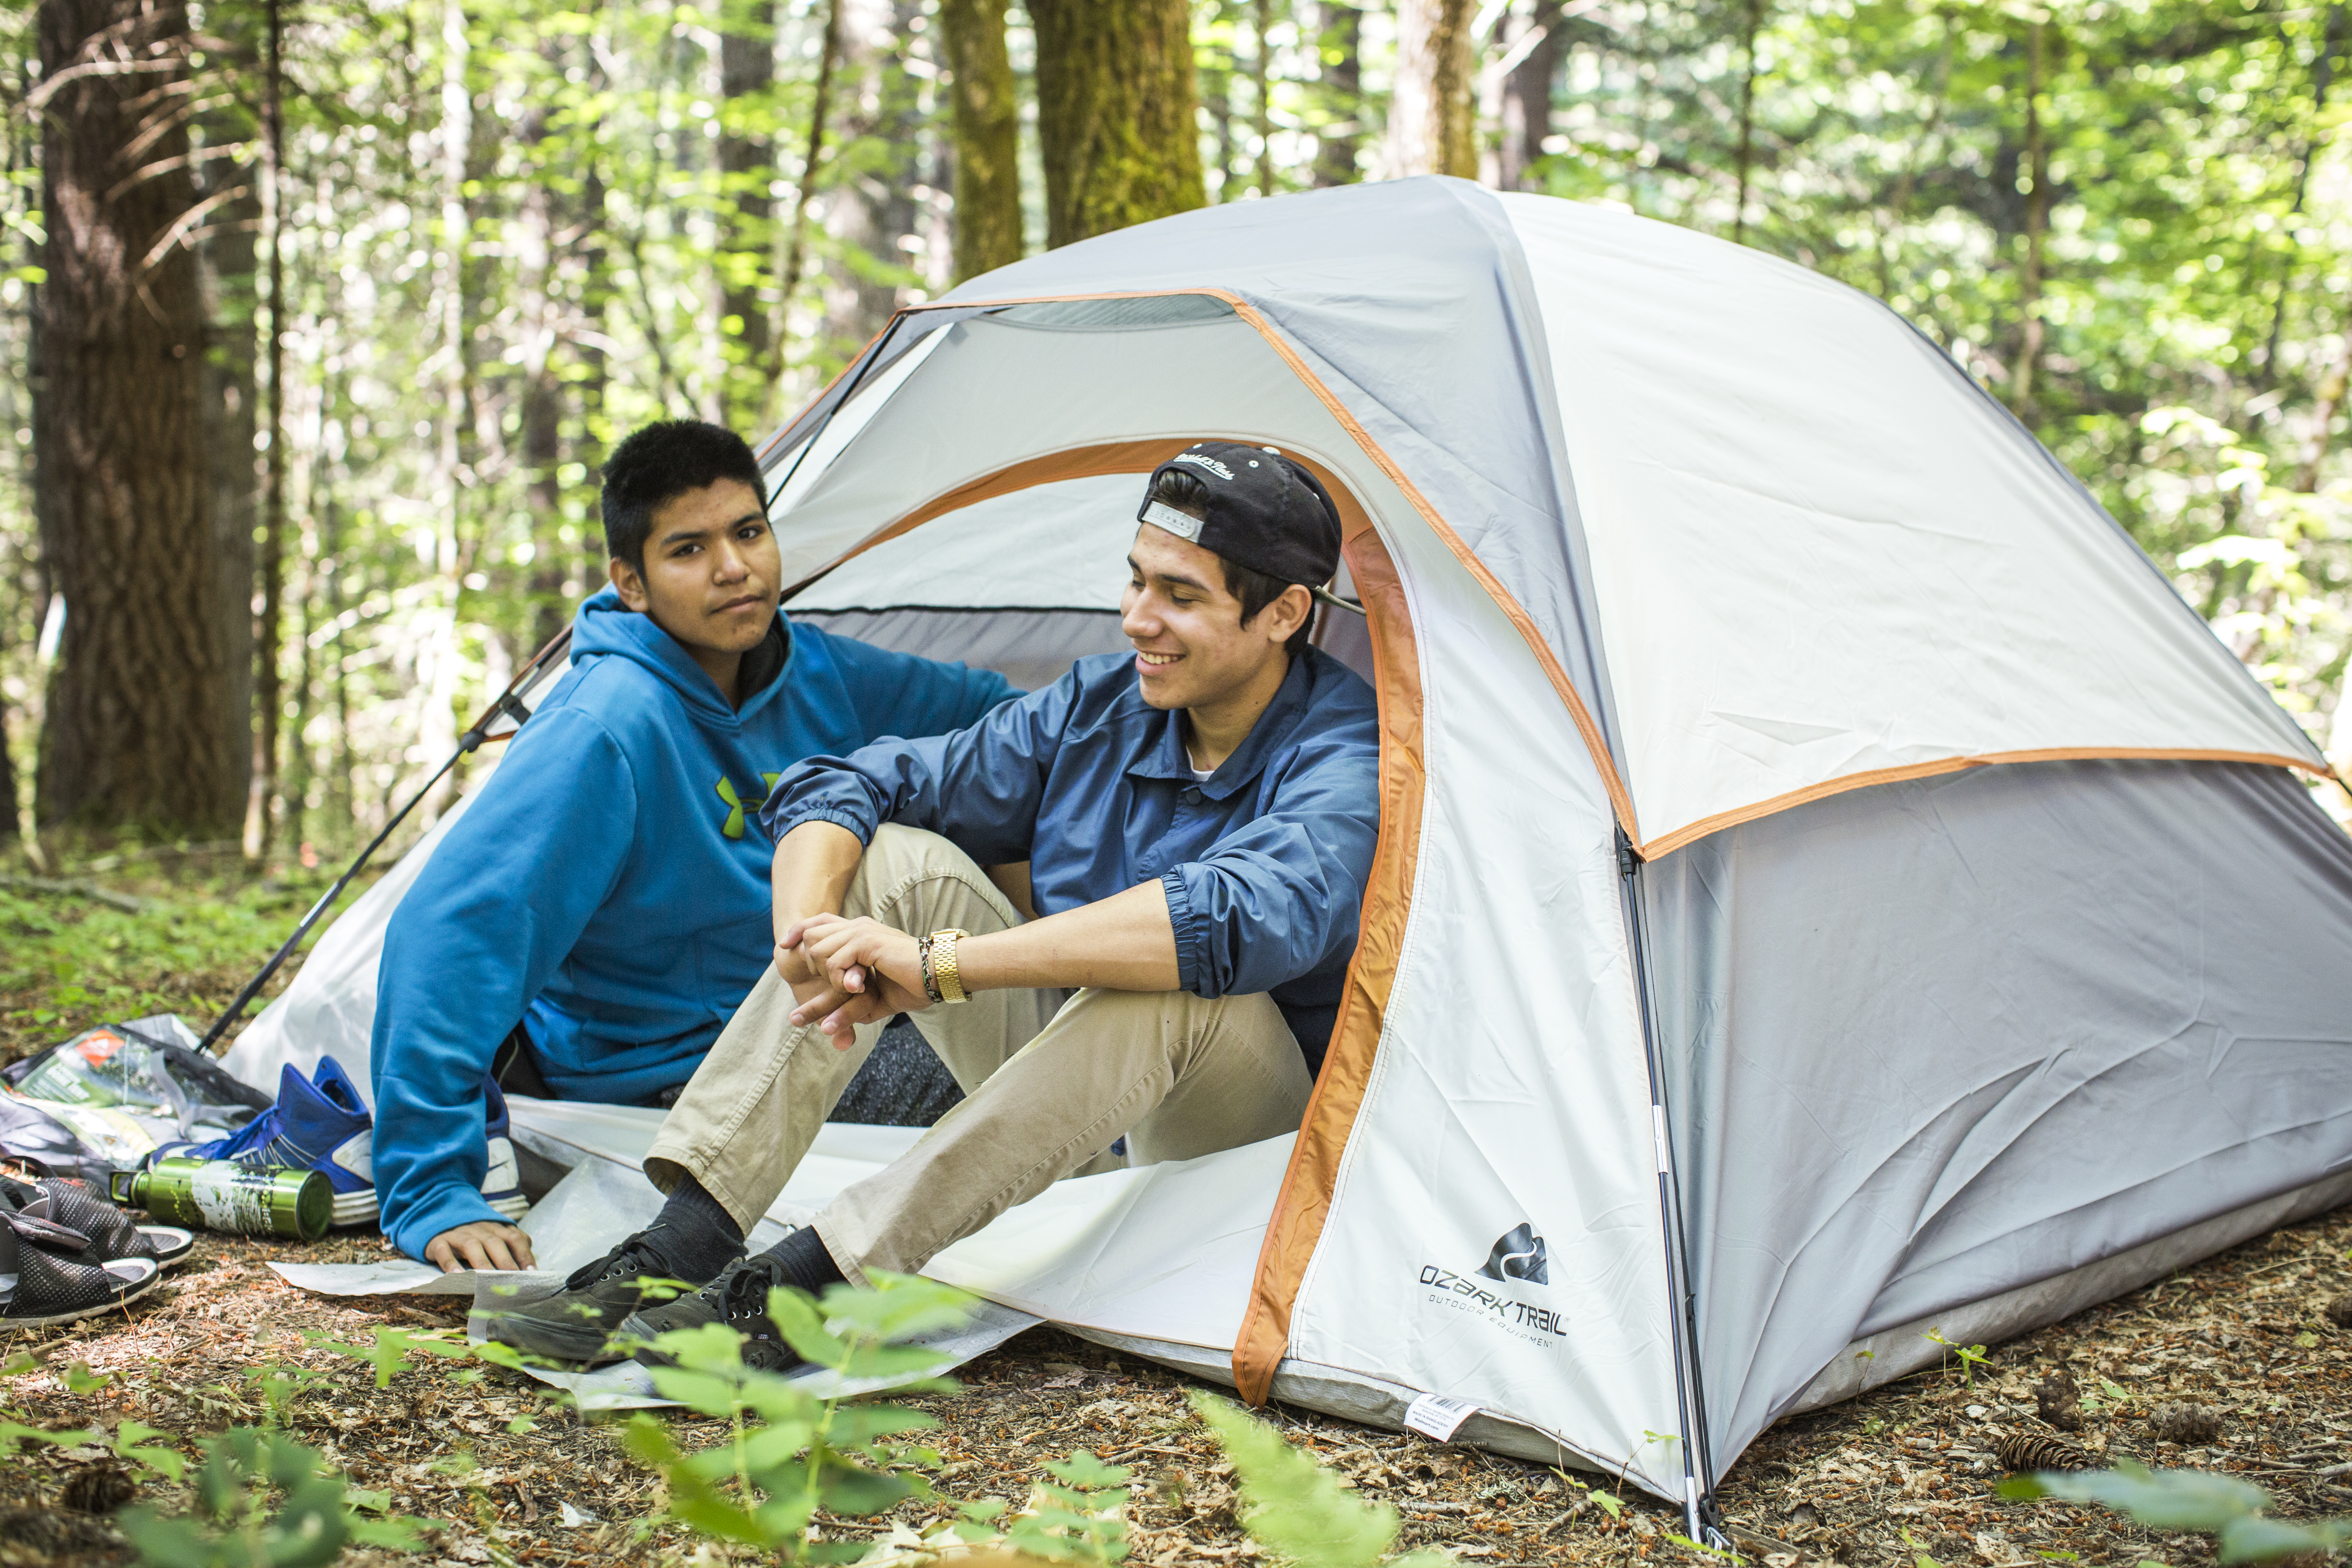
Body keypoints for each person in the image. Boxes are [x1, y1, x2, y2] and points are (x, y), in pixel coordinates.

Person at [489, 440, 1381, 1370]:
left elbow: (1235, 920)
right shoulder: (1104, 707)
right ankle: (687, 1240)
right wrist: (804, 939)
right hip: (1069, 1116)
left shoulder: (1344, 755)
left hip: (1233, 1152)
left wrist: (942, 966)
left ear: (1284, 613)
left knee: (1178, 980)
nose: (1136, 620)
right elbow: (859, 780)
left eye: (1181, 597)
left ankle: (815, 1282)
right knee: (897, 858)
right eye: (1136, 581)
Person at [370, 420, 1021, 1274]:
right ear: (631, 584)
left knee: (1045, 1047)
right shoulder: (605, 725)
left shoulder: (820, 674)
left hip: (818, 1031)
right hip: (673, 1084)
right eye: (689, 549)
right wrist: (433, 1190)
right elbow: (453, 935)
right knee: (1044, 1092)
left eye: (749, 532)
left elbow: (1016, 729)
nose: (733, 567)